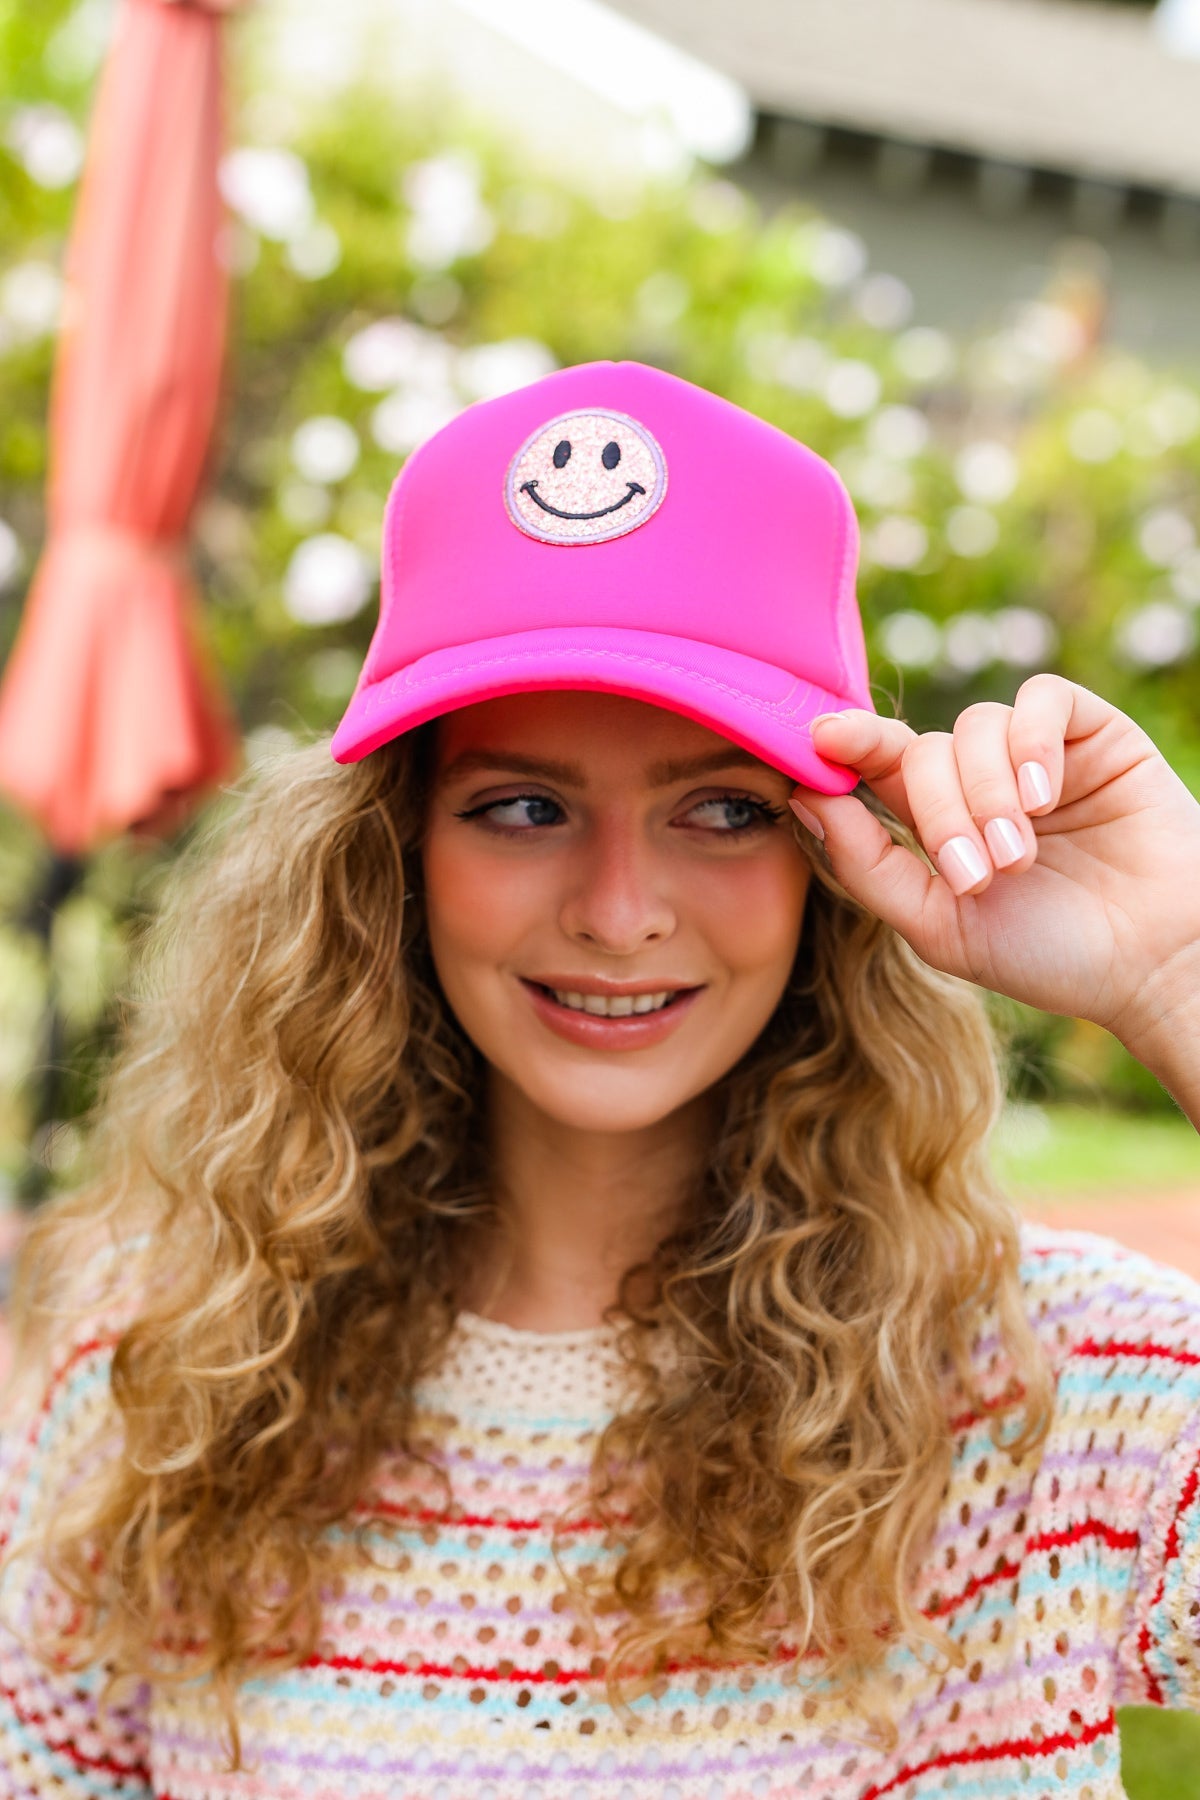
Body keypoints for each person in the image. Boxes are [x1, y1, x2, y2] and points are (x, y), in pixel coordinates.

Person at [2, 359, 1199, 1800]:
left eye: (719, 810)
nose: (620, 909)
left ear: (828, 865)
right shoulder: (151, 1374)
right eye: (523, 806)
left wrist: (1178, 975)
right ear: (394, 854)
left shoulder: (1061, 1388)